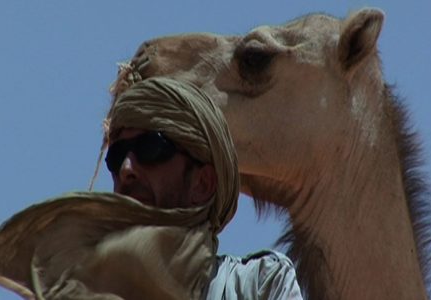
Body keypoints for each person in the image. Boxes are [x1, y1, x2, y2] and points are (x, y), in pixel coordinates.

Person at [100, 76, 303, 299]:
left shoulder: (259, 286)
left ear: (203, 184)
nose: (126, 169)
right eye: (117, 156)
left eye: (149, 148)